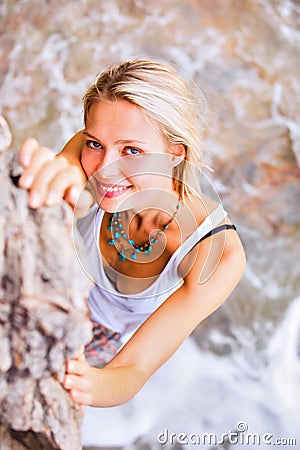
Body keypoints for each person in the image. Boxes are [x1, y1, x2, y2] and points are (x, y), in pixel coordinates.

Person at [19, 59, 246, 408]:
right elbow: (73, 159)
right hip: (54, 283)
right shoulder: (98, 151)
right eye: (95, 144)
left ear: (174, 155)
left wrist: (88, 382)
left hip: (99, 332)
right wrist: (62, 168)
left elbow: (134, 368)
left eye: (132, 151)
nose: (107, 169)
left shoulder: (215, 254)